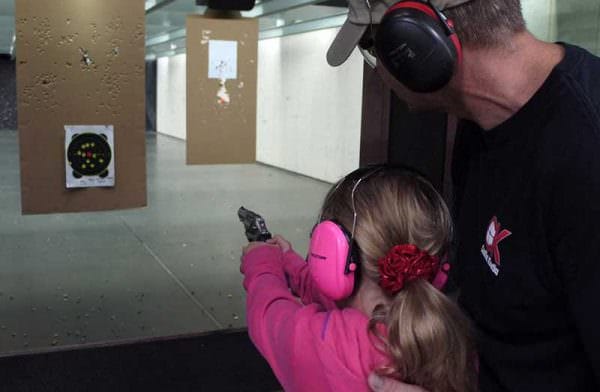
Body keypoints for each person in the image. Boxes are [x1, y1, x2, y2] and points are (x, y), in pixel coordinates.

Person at [327, 0, 600, 391]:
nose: (380, 72)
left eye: (375, 47)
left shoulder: (586, 157)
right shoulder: (481, 128)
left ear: (418, 41)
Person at [240, 166, 477, 392]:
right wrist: (289, 263)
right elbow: (338, 297)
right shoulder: (448, 333)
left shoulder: (336, 344)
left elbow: (268, 316)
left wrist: (261, 264)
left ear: (332, 259)